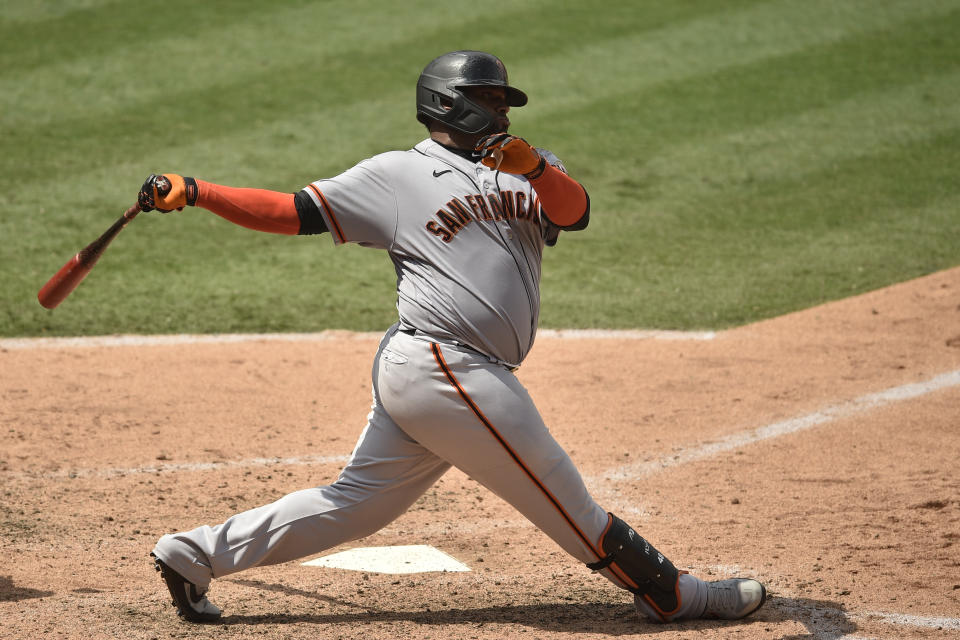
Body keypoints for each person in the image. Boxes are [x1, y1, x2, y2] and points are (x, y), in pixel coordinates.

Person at [141, 50, 766, 625]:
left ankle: (192, 554)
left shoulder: (530, 168)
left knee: (356, 505)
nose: (502, 111)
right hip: (445, 366)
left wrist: (539, 168)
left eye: (504, 102)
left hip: (440, 371)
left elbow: (575, 213)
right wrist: (199, 192)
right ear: (448, 102)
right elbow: (291, 211)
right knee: (561, 494)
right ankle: (675, 593)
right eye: (491, 99)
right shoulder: (396, 176)